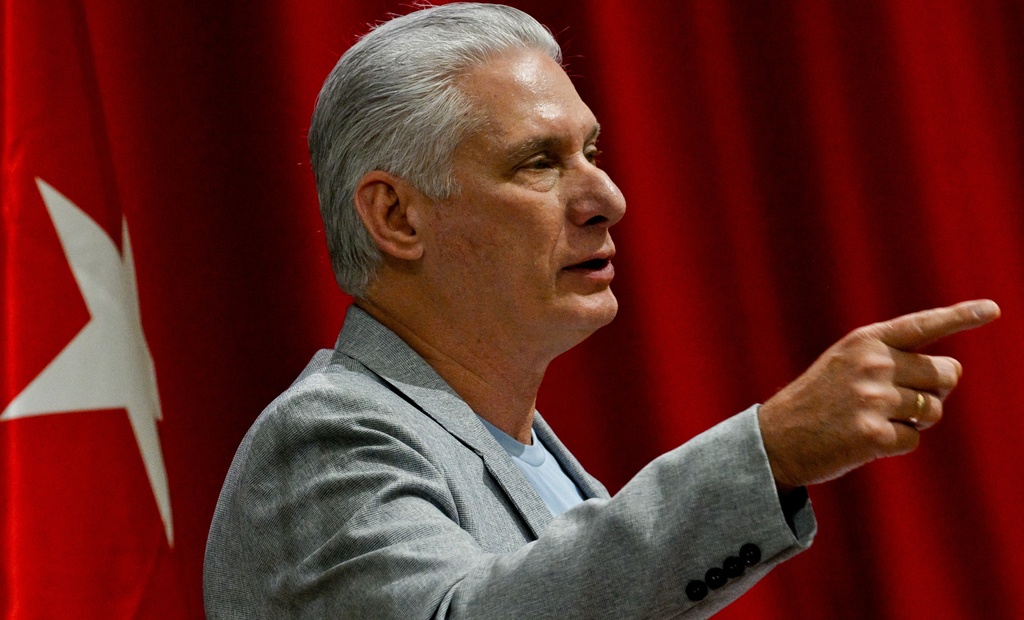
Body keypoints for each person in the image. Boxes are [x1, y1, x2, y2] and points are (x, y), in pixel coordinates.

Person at [203, 3, 1000, 618]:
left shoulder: (538, 459)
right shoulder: (327, 441)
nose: (608, 199)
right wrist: (766, 452)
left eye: (593, 151)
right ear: (398, 217)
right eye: (540, 162)